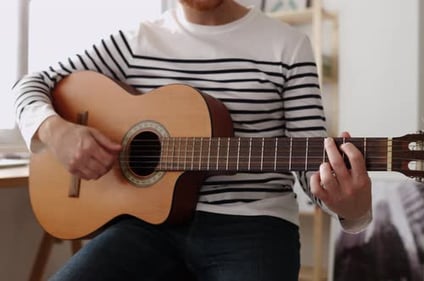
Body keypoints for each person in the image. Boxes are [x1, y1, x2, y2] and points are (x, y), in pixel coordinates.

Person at [13, 1, 372, 280]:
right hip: (146, 226)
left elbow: (313, 174)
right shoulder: (135, 42)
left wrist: (351, 210)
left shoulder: (289, 46)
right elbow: (28, 86)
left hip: (254, 225)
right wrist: (56, 131)